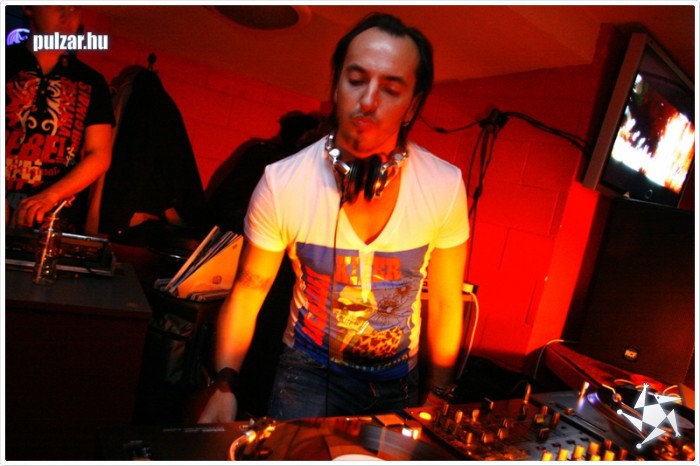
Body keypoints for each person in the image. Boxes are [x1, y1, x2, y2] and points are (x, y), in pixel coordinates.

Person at [198, 12, 469, 423]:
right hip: (307, 376)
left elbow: (448, 303)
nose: (368, 101)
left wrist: (439, 395)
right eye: (356, 80)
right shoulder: (282, 183)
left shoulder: (444, 185)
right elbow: (249, 289)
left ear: (412, 106)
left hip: (400, 383)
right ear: (336, 86)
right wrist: (223, 383)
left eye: (390, 89)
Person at [5, 5, 114, 232]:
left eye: (74, 8)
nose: (67, 16)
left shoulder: (92, 81)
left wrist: (50, 196)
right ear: (29, 7)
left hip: (52, 221)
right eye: (58, 5)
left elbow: (100, 154)